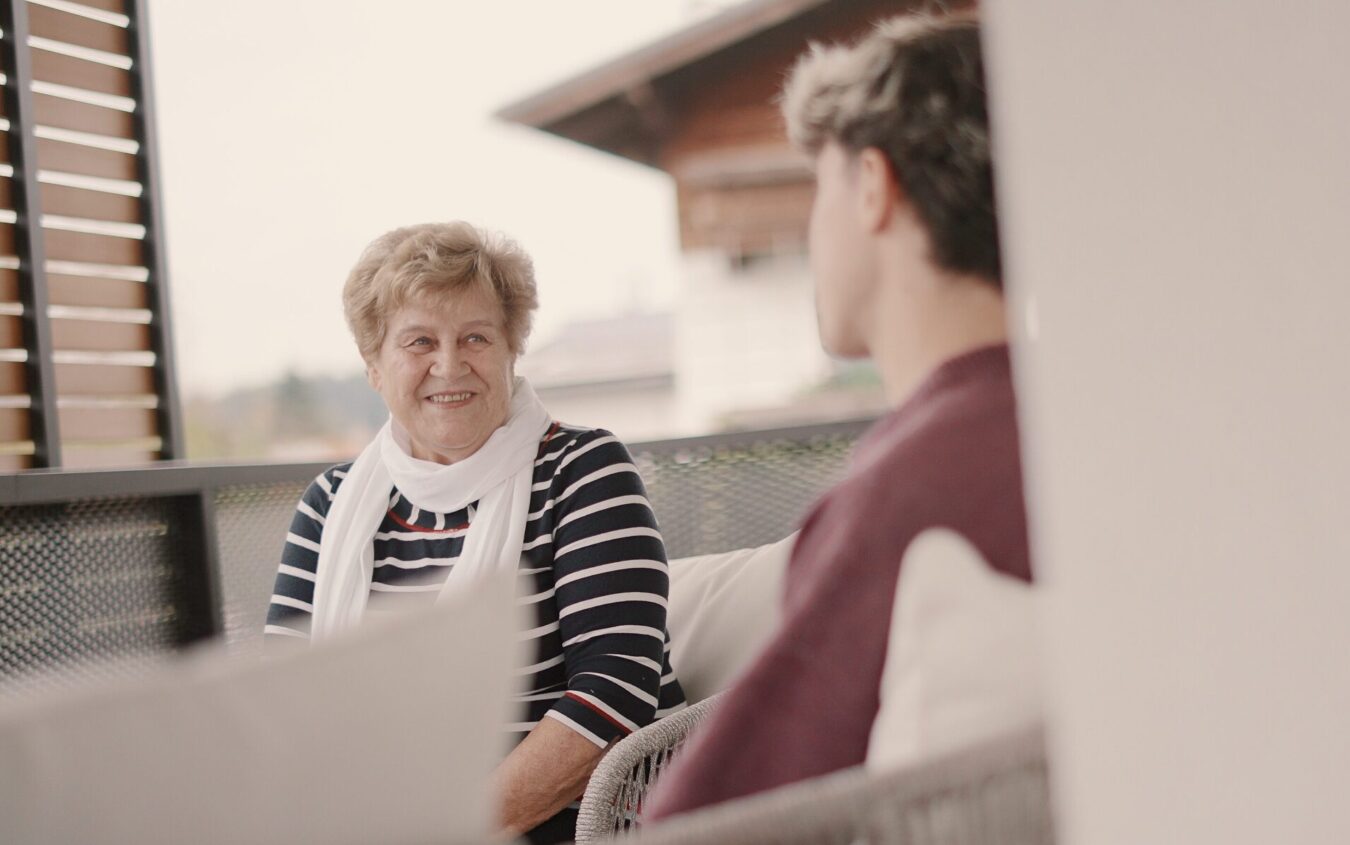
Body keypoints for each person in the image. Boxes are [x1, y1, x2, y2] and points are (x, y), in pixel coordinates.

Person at [646, 12, 1032, 818]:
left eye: (815, 187)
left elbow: (700, 819)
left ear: (871, 186)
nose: (810, 230)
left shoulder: (914, 484)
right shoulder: (1064, 425)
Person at [264, 222, 686, 844]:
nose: (449, 364)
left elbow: (615, 688)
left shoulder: (582, 472)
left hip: (589, 825)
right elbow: (286, 700)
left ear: (512, 349)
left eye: (475, 337)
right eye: (418, 342)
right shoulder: (330, 505)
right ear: (375, 367)